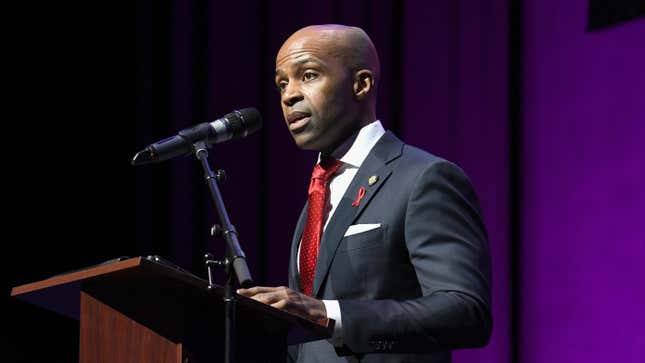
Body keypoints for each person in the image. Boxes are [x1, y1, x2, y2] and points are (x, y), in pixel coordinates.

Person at [238, 24, 492, 363]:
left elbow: (465, 311)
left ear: (361, 84)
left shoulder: (423, 178)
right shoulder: (319, 191)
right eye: (282, 83)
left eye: (308, 75)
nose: (289, 95)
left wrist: (328, 314)